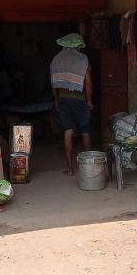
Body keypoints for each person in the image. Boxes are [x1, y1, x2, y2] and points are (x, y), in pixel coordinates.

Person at [50, 33, 93, 175]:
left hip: (63, 99)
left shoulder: (56, 59)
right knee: (85, 131)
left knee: (68, 131)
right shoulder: (83, 59)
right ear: (77, 46)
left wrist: (56, 100)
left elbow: (53, 84)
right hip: (79, 99)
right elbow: (88, 82)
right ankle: (89, 168)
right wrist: (89, 100)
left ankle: (70, 169)